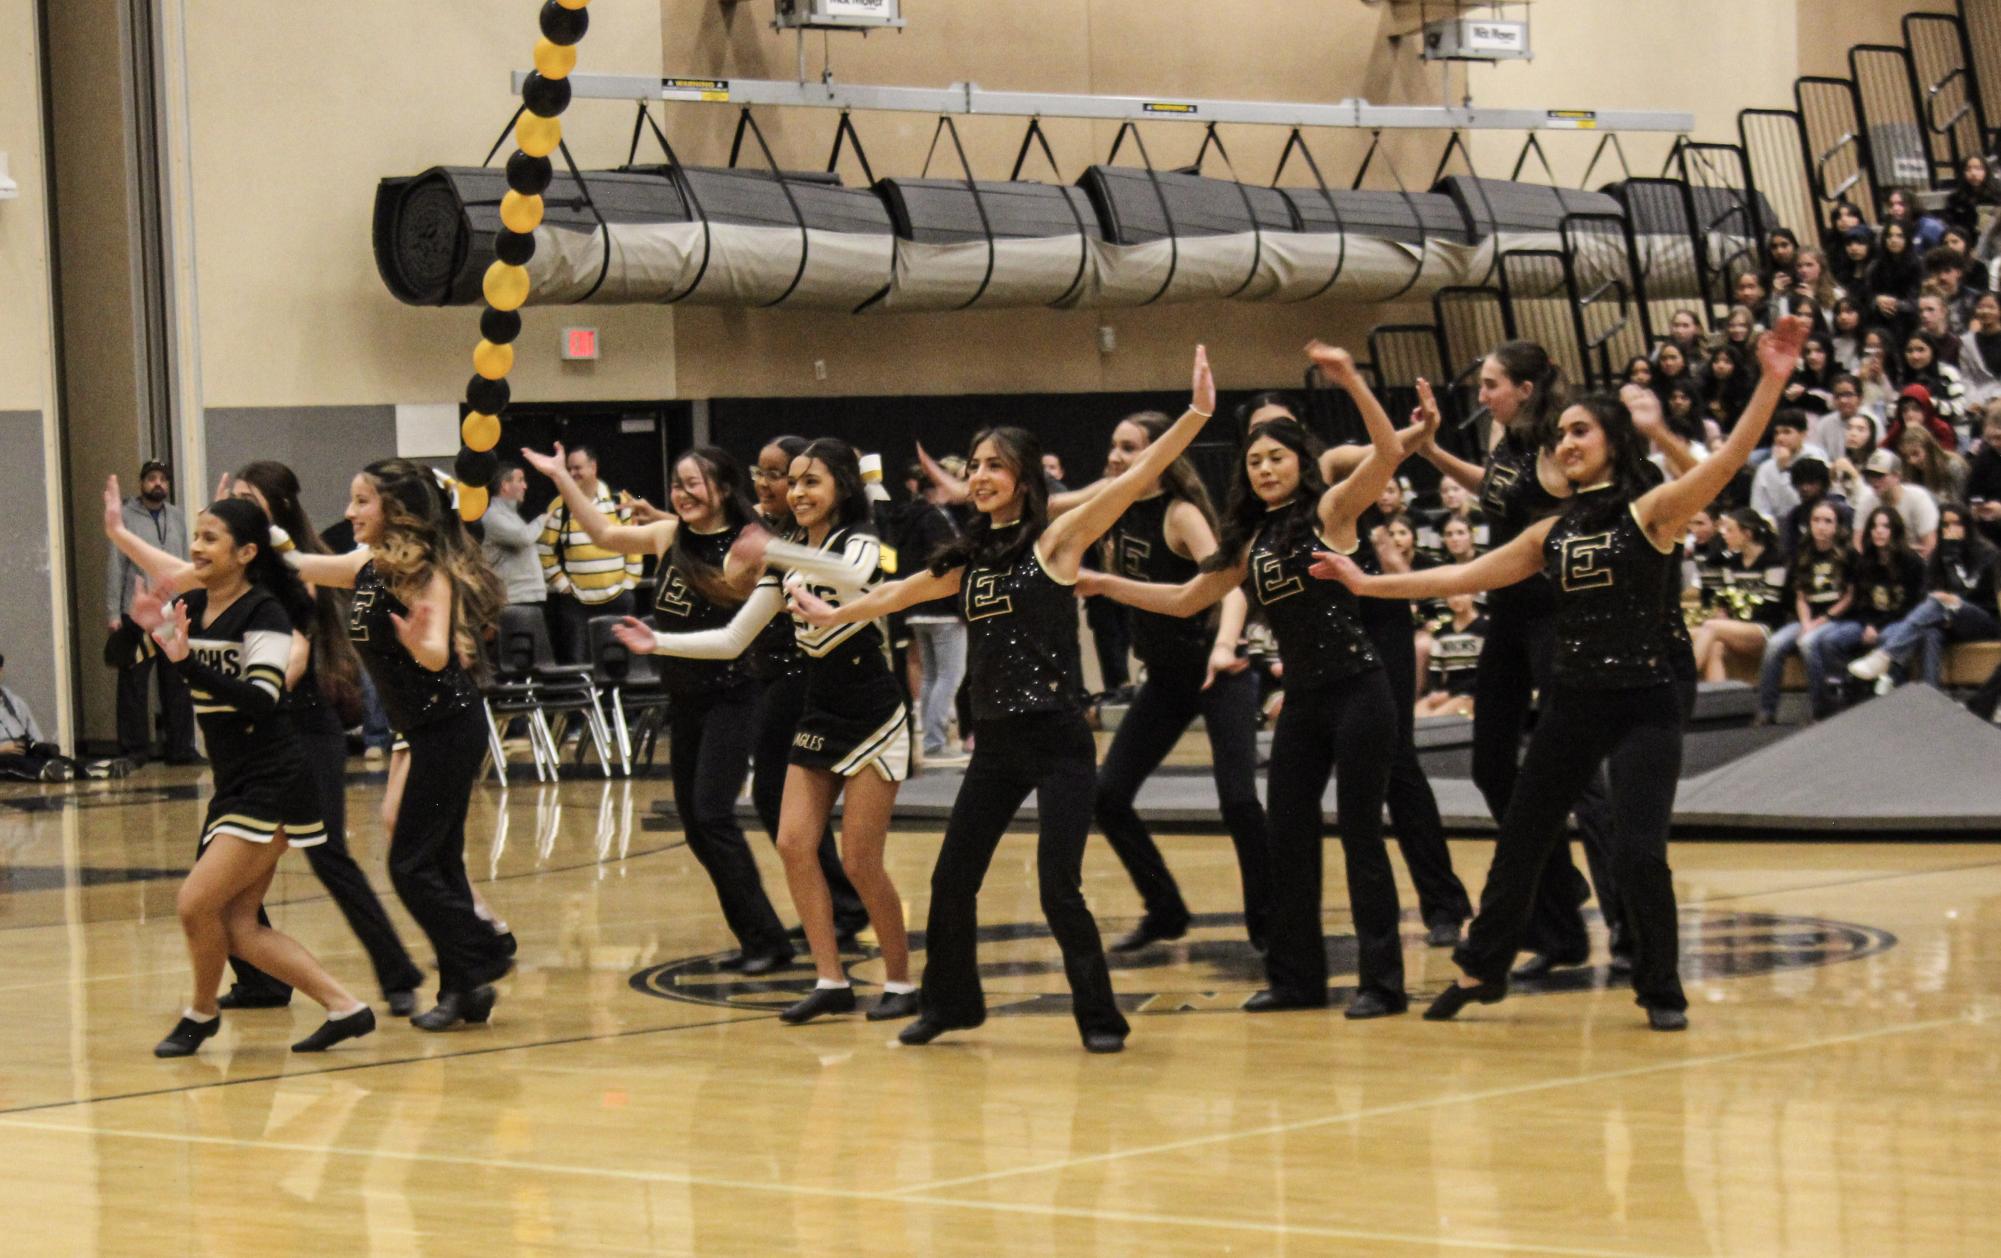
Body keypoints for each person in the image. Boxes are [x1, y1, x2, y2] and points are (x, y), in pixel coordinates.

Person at [1317, 315, 1812, 1032]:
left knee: (1640, 851)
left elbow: (1728, 460)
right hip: (1573, 701)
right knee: (1520, 834)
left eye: (1580, 431)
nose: (1566, 443)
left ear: (1612, 439)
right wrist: (1364, 585)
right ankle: (1482, 968)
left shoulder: (1653, 512)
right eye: (1561, 435)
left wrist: (1770, 378)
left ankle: (1660, 988)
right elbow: (1461, 572)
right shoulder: (1550, 531)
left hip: (1643, 700)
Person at [791, 346, 1219, 1053]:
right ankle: (951, 1006)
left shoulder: (1056, 541)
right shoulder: (965, 559)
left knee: (1059, 890)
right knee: (951, 881)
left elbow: (1137, 477)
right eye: (973, 464)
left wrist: (1197, 413)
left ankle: (1100, 1020)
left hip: (1057, 738)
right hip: (994, 743)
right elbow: (895, 595)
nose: (979, 474)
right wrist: (831, 613)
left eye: (993, 464)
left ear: (1022, 476)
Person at [1079, 343, 1411, 1019]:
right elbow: (1183, 600)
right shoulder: (1250, 541)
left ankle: (1382, 983)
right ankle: (1296, 980)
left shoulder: (1332, 515)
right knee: (1286, 836)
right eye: (1254, 461)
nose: (1263, 469)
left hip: (1358, 691)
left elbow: (1386, 451)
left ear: (1300, 463)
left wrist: (1347, 378)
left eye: (1276, 458)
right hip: (1302, 701)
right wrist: (1101, 581)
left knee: (1358, 834)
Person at [615, 439, 917, 1025]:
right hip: (818, 709)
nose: (799, 493)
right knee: (791, 843)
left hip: (874, 713)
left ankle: (902, 982)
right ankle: (831, 979)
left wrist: (772, 546)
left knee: (860, 861)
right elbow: (733, 638)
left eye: (813, 482)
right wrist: (660, 642)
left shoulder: (860, 542)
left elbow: (855, 573)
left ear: (842, 490)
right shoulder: (783, 558)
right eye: (794, 483)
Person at [102, 484, 375, 1057]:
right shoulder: (196, 607)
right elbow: (120, 662)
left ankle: (200, 1014)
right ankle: (347, 1007)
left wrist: (185, 662)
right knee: (238, 926)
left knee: (195, 904)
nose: (195, 548)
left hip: (274, 778)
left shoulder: (267, 613)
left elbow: (262, 698)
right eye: (195, 536)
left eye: (209, 538)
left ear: (246, 553)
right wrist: (143, 628)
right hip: (236, 780)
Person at [526, 442, 796, 974]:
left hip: (734, 693)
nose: (683, 493)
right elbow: (604, 534)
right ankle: (757, 936)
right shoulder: (669, 535)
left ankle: (769, 940)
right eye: (677, 484)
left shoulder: (751, 545)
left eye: (694, 483)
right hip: (687, 698)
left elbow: (738, 627)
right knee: (697, 826)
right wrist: (563, 479)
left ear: (722, 488)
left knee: (713, 816)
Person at [282, 460, 515, 1030]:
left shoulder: (427, 573)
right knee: (435, 862)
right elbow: (292, 564)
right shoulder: (366, 565)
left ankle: (481, 952)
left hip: (449, 726)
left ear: (396, 511)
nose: (348, 512)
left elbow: (437, 655)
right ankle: (467, 991)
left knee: (410, 866)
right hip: (425, 728)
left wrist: (417, 641)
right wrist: (250, 530)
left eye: (362, 501)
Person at [1072, 411, 1273, 955]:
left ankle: (1271, 923)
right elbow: (1052, 508)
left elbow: (1228, 588)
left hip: (1218, 669)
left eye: (1129, 447)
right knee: (1108, 796)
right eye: (1113, 445)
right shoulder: (1113, 505)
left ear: (1159, 454)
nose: (1116, 457)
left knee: (1238, 801)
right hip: (1165, 678)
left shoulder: (1180, 514)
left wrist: (1228, 648)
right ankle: (1165, 910)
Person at [1847, 501, 2000, 689]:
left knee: (1940, 601)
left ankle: (1885, 656)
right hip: (1945, 618)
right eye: (1945, 525)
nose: (1951, 530)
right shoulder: (1939, 553)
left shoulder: (1986, 554)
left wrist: (1952, 557)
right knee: (1930, 631)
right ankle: (1932, 694)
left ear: (1967, 525)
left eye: (1956, 523)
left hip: (1984, 619)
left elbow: (1975, 594)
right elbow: (1926, 592)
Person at [106, 459, 199, 766]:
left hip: (171, 610)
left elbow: (187, 561)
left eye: (163, 479)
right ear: (142, 482)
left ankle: (181, 749)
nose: (158, 483)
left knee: (176, 681)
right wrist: (114, 612)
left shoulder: (177, 516)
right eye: (151, 478)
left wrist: (191, 602)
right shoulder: (127, 516)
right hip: (136, 612)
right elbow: (117, 565)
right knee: (134, 683)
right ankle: (134, 750)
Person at [1805, 506, 1928, 717]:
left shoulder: (1912, 562)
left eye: (1885, 526)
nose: (1879, 531)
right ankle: (1843, 696)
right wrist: (1869, 624)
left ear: (1895, 531)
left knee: (1888, 639)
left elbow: (1913, 605)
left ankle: (1891, 702)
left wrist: (1877, 627)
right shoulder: (1865, 561)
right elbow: (1860, 601)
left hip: (1900, 620)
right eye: (1874, 526)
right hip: (1867, 620)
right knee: (1829, 641)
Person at [536, 444, 643, 663]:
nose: (573, 474)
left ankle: (616, 698)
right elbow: (544, 550)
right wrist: (562, 584)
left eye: (577, 468)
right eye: (569, 469)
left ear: (593, 467)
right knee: (578, 662)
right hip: (577, 602)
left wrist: (630, 582)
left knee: (622, 661)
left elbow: (635, 540)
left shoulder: (620, 501)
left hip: (618, 598)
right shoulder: (559, 506)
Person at [900, 454, 970, 763]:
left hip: (918, 607)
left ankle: (931, 739)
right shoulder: (934, 519)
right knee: (949, 676)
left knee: (931, 676)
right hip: (942, 609)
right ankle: (935, 740)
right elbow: (949, 563)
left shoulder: (911, 518)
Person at [1757, 501, 1852, 724]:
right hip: (1807, 617)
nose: (1821, 526)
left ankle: (1820, 709)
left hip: (1837, 618)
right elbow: (1801, 596)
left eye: (1827, 521)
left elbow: (1850, 597)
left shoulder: (1847, 554)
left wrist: (1820, 622)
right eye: (1816, 520)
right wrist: (1807, 622)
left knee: (1808, 644)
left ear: (1837, 526)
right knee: (1774, 644)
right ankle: (1766, 710)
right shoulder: (1803, 553)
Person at [1689, 509, 1789, 683]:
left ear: (1747, 534)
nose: (1724, 535)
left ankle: (1684, 683)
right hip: (1736, 627)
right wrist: (1724, 612)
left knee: (1711, 627)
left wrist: (1732, 621)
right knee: (1712, 645)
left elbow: (1771, 607)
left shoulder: (1774, 560)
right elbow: (1724, 598)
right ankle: (1720, 704)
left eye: (1730, 530)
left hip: (1765, 629)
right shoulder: (1732, 563)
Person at [0, 654, 129, 782]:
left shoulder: (13, 702)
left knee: (50, 755)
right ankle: (46, 772)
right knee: (11, 762)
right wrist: (4, 748)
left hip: (23, 749)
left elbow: (33, 734)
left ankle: (93, 769)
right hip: (4, 754)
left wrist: (37, 746)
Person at [481, 462, 547, 609]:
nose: (525, 486)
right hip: (513, 599)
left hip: (527, 597)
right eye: (520, 480)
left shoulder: (511, 516)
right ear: (505, 485)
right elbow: (523, 538)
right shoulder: (493, 516)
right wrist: (542, 520)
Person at [1750, 410, 1829, 522]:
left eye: (1787, 432)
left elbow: (1802, 503)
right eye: (1777, 433)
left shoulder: (1815, 458)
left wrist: (1784, 470)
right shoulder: (1765, 468)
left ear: (1803, 434)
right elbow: (1758, 508)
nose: (1780, 438)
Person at [1416, 594, 1485, 719]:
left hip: (1473, 693)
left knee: (1435, 720)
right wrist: (1435, 692)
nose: (1456, 599)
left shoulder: (1484, 629)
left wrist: (1451, 694)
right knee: (1415, 717)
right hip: (1446, 692)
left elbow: (1486, 674)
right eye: (1451, 595)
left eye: (1462, 593)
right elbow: (1435, 671)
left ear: (1473, 594)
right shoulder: (1442, 633)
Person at [1862, 449, 1941, 556]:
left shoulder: (1918, 498)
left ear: (1897, 476)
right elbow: (1859, 543)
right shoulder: (1867, 501)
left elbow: (1930, 546)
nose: (1874, 480)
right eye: (1870, 475)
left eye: (1879, 475)